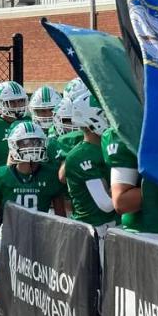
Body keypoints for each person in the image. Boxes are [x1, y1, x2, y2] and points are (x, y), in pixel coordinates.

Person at [0, 121, 66, 316]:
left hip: (40, 244)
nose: (31, 147)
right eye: (25, 143)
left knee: (41, 298)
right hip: (9, 243)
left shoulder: (50, 175)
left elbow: (61, 218)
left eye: (36, 142)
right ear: (13, 146)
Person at [60, 93, 118, 243]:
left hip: (113, 228)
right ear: (91, 120)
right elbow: (106, 204)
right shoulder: (82, 155)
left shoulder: (109, 145)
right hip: (93, 233)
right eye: (105, 114)